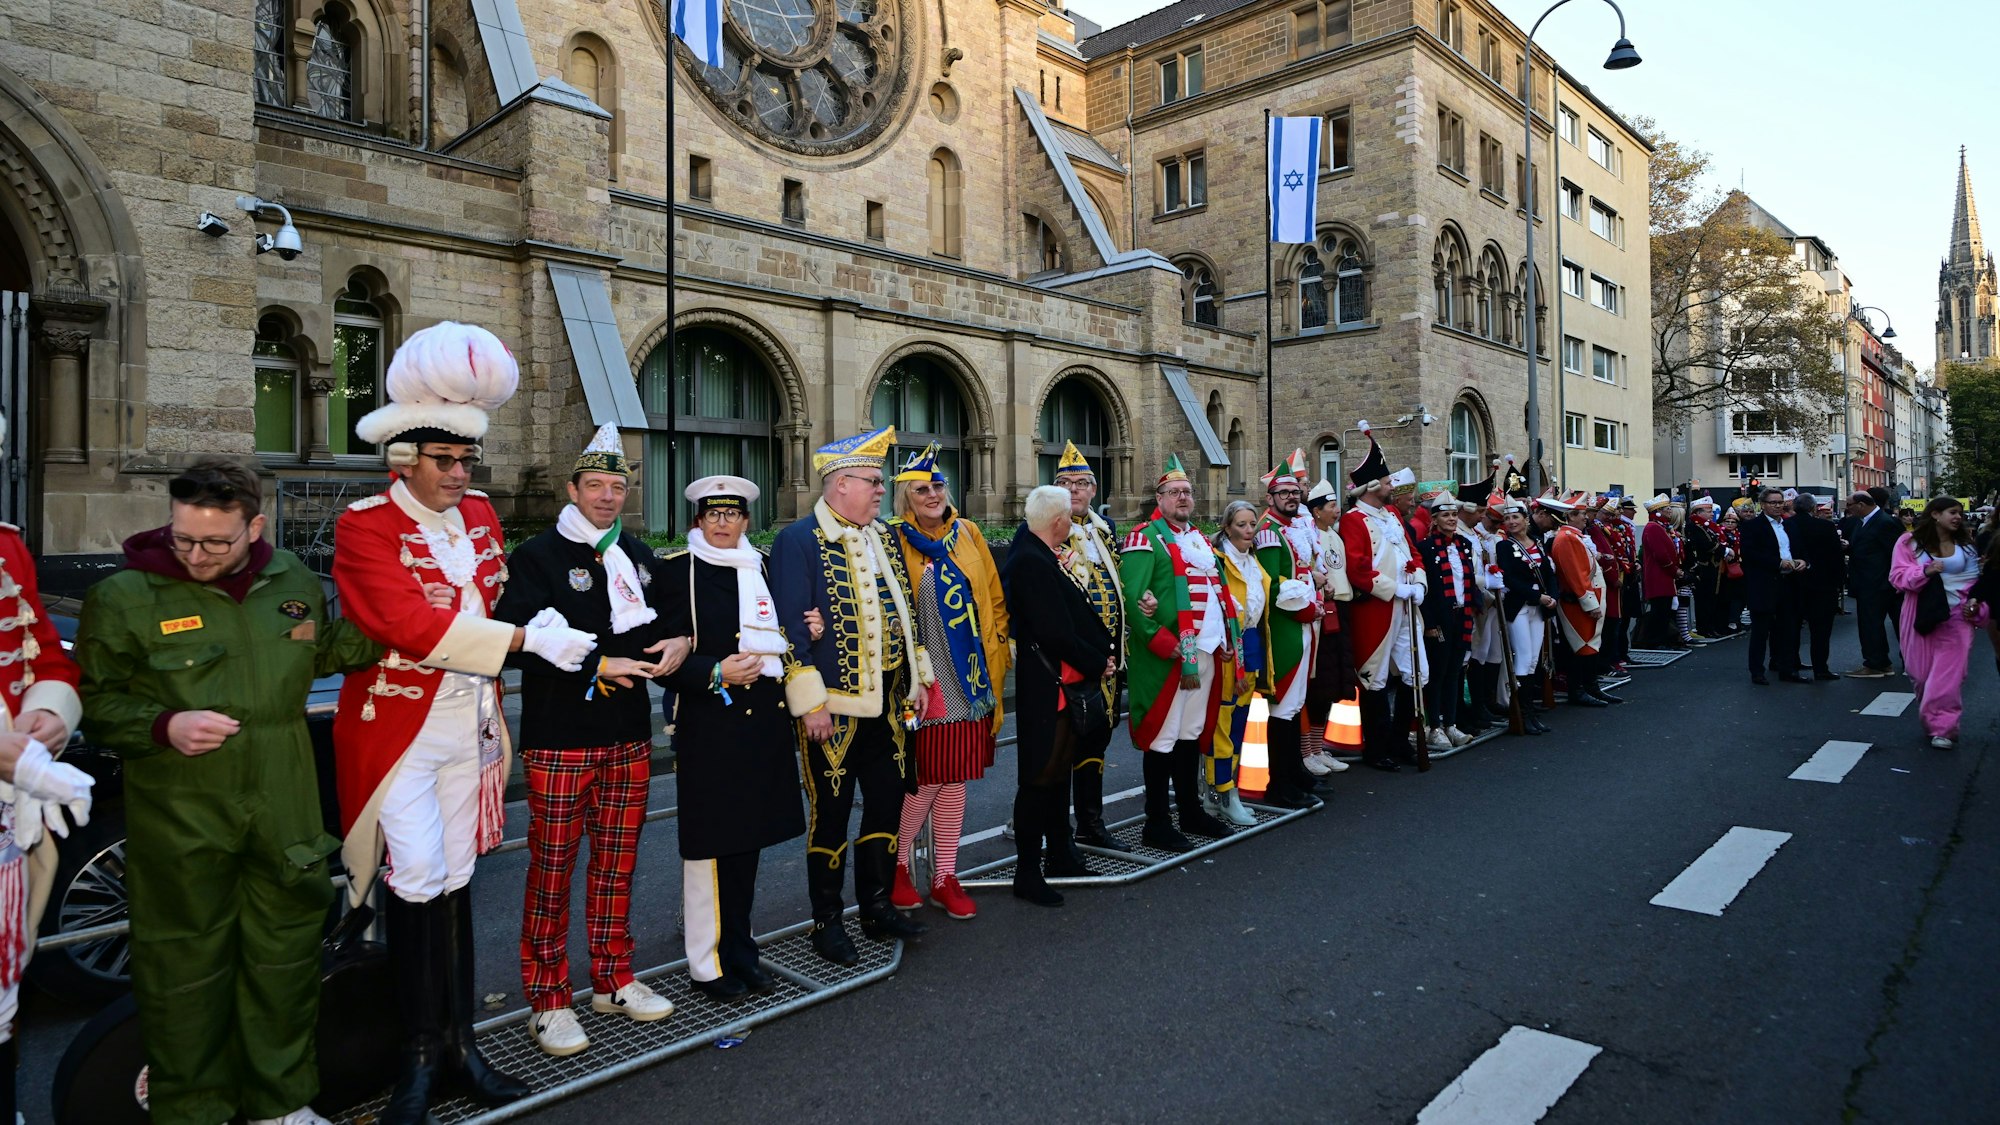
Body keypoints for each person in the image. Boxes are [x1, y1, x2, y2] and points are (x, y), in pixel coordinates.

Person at [331, 323, 592, 1123]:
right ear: (402, 459)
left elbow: (499, 595)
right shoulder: (365, 524)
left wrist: (569, 620)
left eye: (466, 460)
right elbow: (402, 620)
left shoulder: (477, 514)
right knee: (415, 881)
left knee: (453, 882)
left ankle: (460, 1047)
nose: (460, 474)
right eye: (445, 461)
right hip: (401, 732)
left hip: (471, 725)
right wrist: (522, 639)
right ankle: (416, 1056)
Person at [76, 459, 377, 1125]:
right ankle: (194, 1112)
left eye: (216, 541)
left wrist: (403, 611)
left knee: (286, 964)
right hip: (184, 814)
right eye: (184, 538)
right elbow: (96, 705)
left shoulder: (292, 580)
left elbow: (322, 649)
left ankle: (281, 1105)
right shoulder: (125, 597)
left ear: (256, 526)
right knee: (184, 975)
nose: (197, 554)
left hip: (283, 807)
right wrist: (163, 723)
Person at [496, 424, 682, 1054]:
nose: (607, 495)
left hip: (628, 735)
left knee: (616, 865)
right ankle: (548, 999)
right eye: (595, 485)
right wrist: (598, 663)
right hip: (559, 739)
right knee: (552, 868)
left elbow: (673, 621)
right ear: (571, 490)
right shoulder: (537, 558)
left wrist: (682, 642)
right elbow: (510, 640)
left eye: (617, 485)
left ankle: (613, 978)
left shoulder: (640, 555)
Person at [769, 425, 932, 966]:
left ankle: (876, 904)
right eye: (872, 481)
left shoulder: (884, 535)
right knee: (832, 812)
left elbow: (906, 613)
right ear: (840, 484)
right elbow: (790, 626)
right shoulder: (797, 540)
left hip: (889, 703)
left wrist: (919, 678)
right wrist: (809, 701)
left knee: (886, 804)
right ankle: (826, 920)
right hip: (833, 708)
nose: (882, 490)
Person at [655, 476, 807, 997]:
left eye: (733, 514)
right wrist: (714, 672)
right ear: (698, 521)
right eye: (713, 515)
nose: (723, 523)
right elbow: (660, 660)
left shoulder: (758, 567)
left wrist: (803, 629)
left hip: (761, 719)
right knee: (709, 846)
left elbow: (775, 640)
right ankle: (707, 963)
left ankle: (740, 948)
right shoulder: (677, 572)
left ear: (746, 520)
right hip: (708, 721)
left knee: (747, 843)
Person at [0, 423, 87, 1125]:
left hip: (8, 818)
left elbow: (48, 659)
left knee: (4, 1000)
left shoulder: (7, 547)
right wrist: (22, 759)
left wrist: (52, 713)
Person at [889, 444, 1008, 921]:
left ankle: (944, 876)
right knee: (926, 778)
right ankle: (897, 867)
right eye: (921, 488)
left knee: (954, 777)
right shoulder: (892, 539)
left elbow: (994, 598)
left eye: (937, 485)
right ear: (906, 499)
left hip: (972, 678)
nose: (932, 494)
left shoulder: (969, 534)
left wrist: (1000, 645)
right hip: (925, 681)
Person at [1002, 486, 1118, 906]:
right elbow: (1054, 631)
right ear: (1058, 522)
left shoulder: (1037, 552)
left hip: (1061, 685)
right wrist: (1096, 661)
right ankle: (1028, 872)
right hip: (1046, 687)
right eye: (1069, 516)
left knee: (1056, 776)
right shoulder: (1031, 560)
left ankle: (1058, 855)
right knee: (1038, 779)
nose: (1072, 523)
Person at [1120, 454, 1239, 850]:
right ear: (1160, 497)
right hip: (1168, 658)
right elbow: (1135, 601)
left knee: (1190, 736)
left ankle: (1189, 810)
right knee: (1163, 738)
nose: (1183, 498)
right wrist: (1166, 645)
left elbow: (1217, 594)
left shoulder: (1200, 540)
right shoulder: (1143, 536)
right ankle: (1156, 821)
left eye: (1187, 492)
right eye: (1174, 492)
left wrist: (1224, 640)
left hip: (1203, 654)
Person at [1051, 442, 1132, 852]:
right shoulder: (1048, 533)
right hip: (1073, 665)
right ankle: (1054, 827)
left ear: (1094, 490)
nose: (1075, 491)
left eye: (1082, 483)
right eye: (1065, 484)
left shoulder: (1105, 531)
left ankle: (1090, 822)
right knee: (1062, 748)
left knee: (1097, 742)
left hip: (1110, 662)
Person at [1339, 424, 1428, 772]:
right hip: (1378, 609)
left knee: (1417, 673)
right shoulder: (1353, 520)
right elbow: (1358, 569)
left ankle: (1399, 738)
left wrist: (1418, 583)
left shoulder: (1392, 515)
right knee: (1374, 679)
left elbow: (1413, 554)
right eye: (1389, 482)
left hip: (1408, 605)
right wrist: (1395, 588)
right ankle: (1376, 749)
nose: (1394, 487)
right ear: (1373, 487)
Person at [1253, 451, 1329, 807]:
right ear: (1270, 498)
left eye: (1294, 491)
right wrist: (1308, 602)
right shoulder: (1268, 532)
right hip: (1285, 626)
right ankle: (1278, 783)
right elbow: (1272, 584)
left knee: (1296, 703)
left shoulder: (1292, 528)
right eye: (1283, 493)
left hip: (1304, 623)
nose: (1291, 497)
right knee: (1282, 706)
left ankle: (1295, 772)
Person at [1891, 497, 1987, 749]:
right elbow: (1897, 577)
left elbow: (1975, 582)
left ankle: (1943, 727)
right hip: (1921, 615)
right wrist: (1924, 572)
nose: (1958, 517)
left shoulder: (1965, 545)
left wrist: (1975, 602)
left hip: (1957, 617)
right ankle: (1933, 718)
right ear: (1935, 514)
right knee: (1921, 676)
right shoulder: (1908, 542)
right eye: (1952, 512)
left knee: (1948, 677)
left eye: (1960, 513)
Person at [1214, 501, 1274, 824]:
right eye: (1241, 524)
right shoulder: (1218, 560)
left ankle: (1229, 788)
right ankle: (1219, 791)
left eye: (1253, 524)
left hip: (1251, 642)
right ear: (1227, 527)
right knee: (1222, 724)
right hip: (1227, 646)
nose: (1249, 530)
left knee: (1239, 721)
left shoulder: (1254, 560)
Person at [1300, 478, 1358, 768]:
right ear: (1316, 511)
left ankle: (1319, 746)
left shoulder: (1335, 535)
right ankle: (1307, 750)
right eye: (1332, 506)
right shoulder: (1309, 536)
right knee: (1318, 682)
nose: (1337, 510)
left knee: (1333, 681)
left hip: (1341, 611)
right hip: (1321, 612)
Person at [1415, 488, 1478, 748]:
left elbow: (1468, 579)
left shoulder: (1464, 544)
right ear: (1435, 519)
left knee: (1455, 671)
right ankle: (1434, 725)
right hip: (1440, 617)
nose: (1452, 519)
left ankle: (1451, 724)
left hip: (1461, 615)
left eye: (1454, 514)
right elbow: (1428, 589)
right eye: (1446, 515)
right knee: (1438, 672)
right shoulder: (1426, 548)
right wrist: (1429, 623)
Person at [1494, 498, 1555, 735]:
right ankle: (1520, 713)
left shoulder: (1537, 542)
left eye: (1515, 517)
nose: (1510, 522)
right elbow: (1509, 578)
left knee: (1532, 660)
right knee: (1523, 658)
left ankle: (1530, 712)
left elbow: (1549, 573)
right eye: (1507, 519)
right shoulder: (1504, 546)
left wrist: (1553, 596)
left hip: (1539, 608)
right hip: (1519, 606)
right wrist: (1537, 595)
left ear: (1525, 519)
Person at [1549, 496, 1617, 706]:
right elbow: (1575, 575)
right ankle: (1578, 690)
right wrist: (1590, 603)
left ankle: (1591, 686)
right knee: (1582, 647)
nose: (1585, 518)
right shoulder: (1567, 538)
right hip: (1578, 603)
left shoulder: (1573, 536)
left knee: (1591, 646)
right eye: (1581, 514)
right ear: (1569, 517)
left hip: (1588, 599)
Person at [1457, 481, 1511, 735]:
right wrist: (1486, 585)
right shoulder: (1459, 533)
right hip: (1472, 602)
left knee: (1484, 654)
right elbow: (1465, 573)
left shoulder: (1473, 534)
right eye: (1478, 511)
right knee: (1471, 657)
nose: (1481, 516)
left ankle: (1482, 703)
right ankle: (1470, 709)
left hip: (1484, 600)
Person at [1740, 487, 1806, 685]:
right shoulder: (1753, 526)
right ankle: (1757, 671)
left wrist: (1803, 561)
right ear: (1763, 504)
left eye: (1780, 502)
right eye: (1773, 503)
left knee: (1788, 629)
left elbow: (1800, 549)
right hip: (1765, 584)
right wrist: (1777, 563)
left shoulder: (1790, 525)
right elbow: (1750, 554)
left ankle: (1787, 669)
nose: (1778, 506)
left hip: (1789, 582)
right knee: (1761, 631)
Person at [1787, 492, 1847, 680]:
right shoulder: (1826, 526)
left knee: (1791, 627)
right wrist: (1840, 581)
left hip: (1793, 582)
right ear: (1814, 508)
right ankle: (1820, 667)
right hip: (1822, 583)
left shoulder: (1787, 525)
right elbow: (1836, 557)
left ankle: (1791, 663)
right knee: (1821, 629)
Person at [1844, 490, 1903, 677]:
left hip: (1879, 582)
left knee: (1872, 624)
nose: (1848, 509)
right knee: (1872, 624)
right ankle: (1880, 662)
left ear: (1861, 505)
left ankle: (1875, 664)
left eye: (1850, 505)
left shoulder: (1884, 522)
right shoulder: (1865, 522)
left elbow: (1896, 553)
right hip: (1870, 581)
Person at [1588, 495, 1635, 674]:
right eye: (1604, 513)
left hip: (1614, 579)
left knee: (1615, 622)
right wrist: (1613, 575)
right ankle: (1606, 661)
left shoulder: (1601, 528)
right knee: (1609, 624)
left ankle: (1612, 658)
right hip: (1606, 582)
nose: (1610, 517)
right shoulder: (1595, 530)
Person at [1637, 495, 1681, 649]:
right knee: (1660, 611)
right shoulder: (1653, 528)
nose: (1670, 510)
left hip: (1664, 576)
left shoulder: (1661, 527)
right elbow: (1661, 555)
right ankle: (1654, 641)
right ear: (1657, 511)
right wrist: (1674, 570)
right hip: (1659, 576)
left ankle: (1662, 640)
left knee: (1664, 610)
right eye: (1666, 508)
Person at [1684, 497, 1724, 640]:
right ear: (1698, 512)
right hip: (1702, 567)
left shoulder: (1706, 526)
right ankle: (1703, 628)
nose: (1712, 514)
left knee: (1711, 599)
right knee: (1703, 600)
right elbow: (1705, 544)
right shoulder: (1694, 526)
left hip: (1712, 567)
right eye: (1708, 511)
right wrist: (1723, 550)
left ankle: (1709, 627)